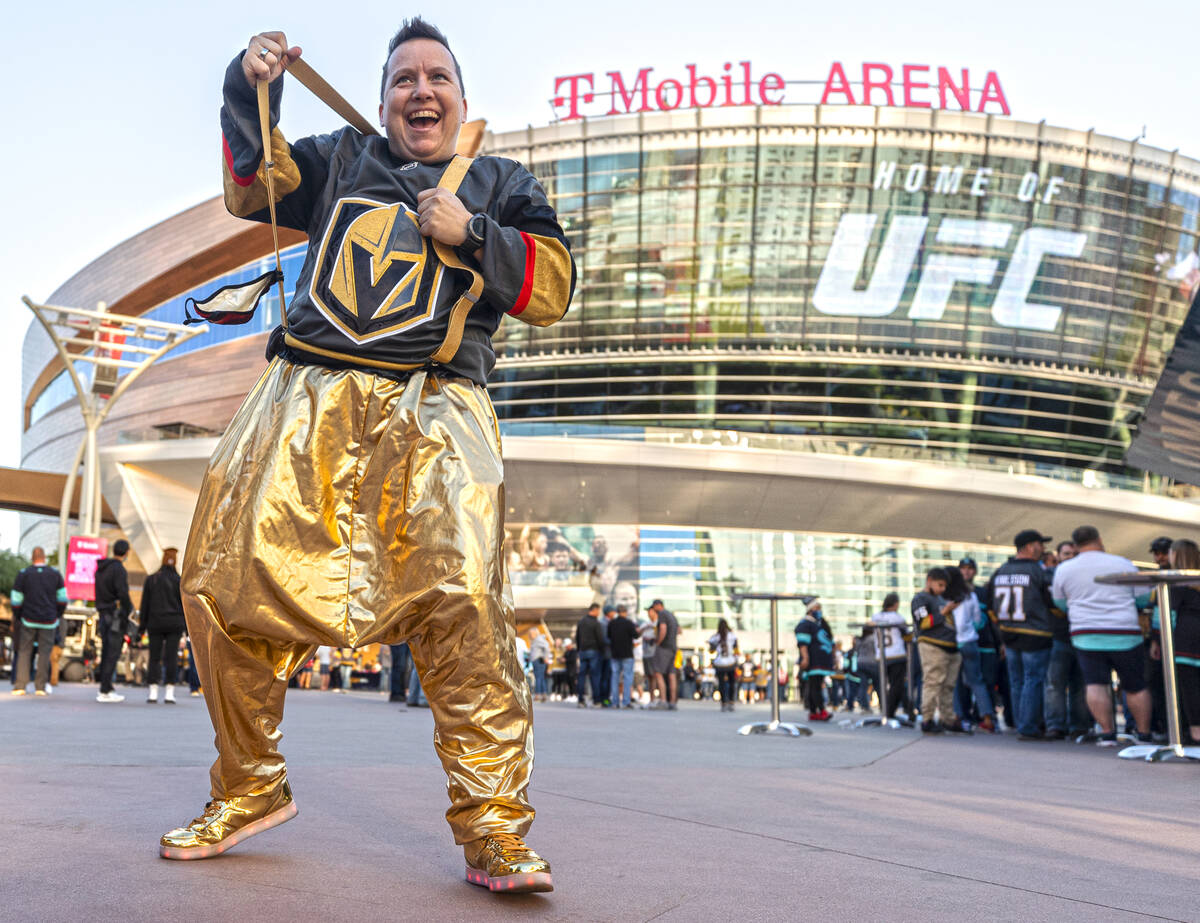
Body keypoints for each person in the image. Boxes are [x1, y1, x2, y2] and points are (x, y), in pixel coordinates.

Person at [163, 20, 573, 892]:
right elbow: (250, 187)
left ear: (460, 96)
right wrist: (250, 85)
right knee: (219, 580)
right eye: (402, 80)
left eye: (436, 77)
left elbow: (554, 289)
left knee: (464, 607)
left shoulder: (502, 182)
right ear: (384, 99)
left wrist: (473, 234)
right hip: (302, 400)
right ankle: (249, 785)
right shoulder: (339, 156)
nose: (420, 91)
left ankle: (495, 829)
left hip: (438, 408)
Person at [1051, 525, 1152, 746]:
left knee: (1095, 684)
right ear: (1099, 539)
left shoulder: (1065, 569)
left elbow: (1059, 601)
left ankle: (1107, 734)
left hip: (1085, 633)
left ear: (1075, 545)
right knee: (1135, 685)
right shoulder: (1123, 564)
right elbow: (1143, 598)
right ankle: (1144, 734)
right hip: (1124, 631)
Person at [983, 530, 1057, 740]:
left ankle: (1020, 722)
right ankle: (1028, 726)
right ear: (1029, 546)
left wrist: (1002, 629)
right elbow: (1053, 603)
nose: (1042, 549)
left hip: (1009, 634)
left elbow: (990, 607)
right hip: (1036, 633)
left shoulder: (1001, 571)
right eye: (1039, 544)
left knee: (1016, 681)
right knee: (1033, 680)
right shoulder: (1039, 571)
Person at [912, 567, 963, 733]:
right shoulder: (920, 598)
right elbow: (923, 623)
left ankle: (947, 718)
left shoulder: (939, 598)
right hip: (932, 645)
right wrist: (945, 611)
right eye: (940, 584)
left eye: (944, 585)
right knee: (933, 682)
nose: (943, 589)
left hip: (950, 647)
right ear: (929, 581)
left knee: (948, 685)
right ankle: (927, 719)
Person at [1159, 539, 1200, 743]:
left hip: (1186, 639)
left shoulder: (1176, 582)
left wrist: (1158, 640)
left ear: (1175, 555)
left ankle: (1194, 732)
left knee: (1188, 686)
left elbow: (1167, 615)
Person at [11, 547, 66, 697]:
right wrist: (56, 614)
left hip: (28, 619)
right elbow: (62, 599)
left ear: (32, 558)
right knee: (44, 653)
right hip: (49, 620)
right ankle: (40, 686)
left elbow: (16, 599)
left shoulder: (24, 574)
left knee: (24, 652)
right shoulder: (55, 575)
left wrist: (19, 615)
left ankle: (20, 685)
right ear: (45, 557)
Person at [949, 565, 995, 732]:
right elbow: (977, 620)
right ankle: (988, 718)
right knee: (977, 682)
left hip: (956, 643)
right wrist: (970, 631)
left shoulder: (948, 597)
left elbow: (958, 623)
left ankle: (958, 717)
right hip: (972, 642)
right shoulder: (971, 595)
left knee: (954, 682)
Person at [140, 548, 187, 704]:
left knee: (154, 657)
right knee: (171, 657)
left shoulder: (152, 579)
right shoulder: (179, 580)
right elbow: (184, 606)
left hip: (155, 623)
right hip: (175, 623)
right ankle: (169, 692)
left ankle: (153, 691)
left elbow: (144, 605)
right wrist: (187, 630)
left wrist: (141, 628)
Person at [95, 539, 134, 704]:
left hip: (103, 614)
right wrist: (129, 609)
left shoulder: (101, 569)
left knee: (106, 652)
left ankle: (106, 687)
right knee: (113, 652)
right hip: (115, 616)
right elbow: (122, 593)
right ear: (125, 552)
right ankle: (105, 689)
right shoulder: (119, 570)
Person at [867, 592, 909, 720]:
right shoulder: (898, 618)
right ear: (895, 604)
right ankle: (890, 711)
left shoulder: (875, 617)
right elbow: (906, 634)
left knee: (888, 684)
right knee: (897, 684)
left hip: (881, 655)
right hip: (897, 654)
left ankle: (903, 708)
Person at [795, 599, 834, 721]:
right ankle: (820, 710)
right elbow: (803, 643)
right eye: (817, 608)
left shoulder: (820, 624)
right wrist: (805, 658)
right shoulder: (805, 624)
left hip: (821, 661)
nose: (819, 611)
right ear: (810, 610)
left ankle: (814, 711)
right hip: (814, 661)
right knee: (815, 686)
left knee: (815, 685)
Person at [649, 600, 679, 710]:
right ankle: (672, 701)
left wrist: (658, 642)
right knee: (671, 675)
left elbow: (663, 629)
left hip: (664, 647)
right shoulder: (671, 615)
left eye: (653, 608)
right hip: (673, 646)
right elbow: (679, 630)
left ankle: (663, 700)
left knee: (658, 673)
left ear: (658, 606)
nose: (653, 610)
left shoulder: (662, 614)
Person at [606, 604, 638, 709]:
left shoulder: (612, 623)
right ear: (625, 612)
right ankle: (626, 702)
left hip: (615, 654)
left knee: (615, 677)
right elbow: (636, 636)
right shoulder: (629, 623)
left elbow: (608, 636)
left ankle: (615, 702)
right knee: (627, 678)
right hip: (627, 654)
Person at [574, 603, 605, 707]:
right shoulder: (596, 623)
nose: (599, 613)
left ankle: (580, 700)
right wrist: (602, 650)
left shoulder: (581, 621)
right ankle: (596, 700)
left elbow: (577, 637)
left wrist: (579, 650)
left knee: (581, 676)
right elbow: (600, 638)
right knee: (595, 676)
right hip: (594, 651)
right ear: (595, 610)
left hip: (583, 651)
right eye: (598, 611)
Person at [708, 619, 740, 711]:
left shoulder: (715, 637)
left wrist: (713, 646)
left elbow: (711, 651)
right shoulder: (732, 636)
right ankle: (731, 702)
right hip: (731, 662)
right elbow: (736, 650)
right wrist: (736, 659)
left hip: (719, 663)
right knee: (731, 683)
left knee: (721, 684)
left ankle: (723, 703)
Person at [528, 628, 551, 703]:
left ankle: (538, 695)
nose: (530, 635)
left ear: (535, 633)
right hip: (537, 660)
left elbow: (546, 647)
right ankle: (543, 694)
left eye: (531, 634)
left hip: (538, 660)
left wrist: (546, 657)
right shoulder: (536, 640)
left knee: (538, 677)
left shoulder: (538, 639)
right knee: (541, 677)